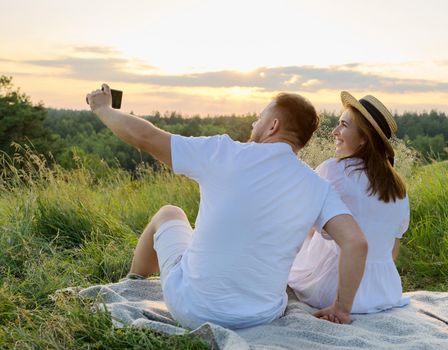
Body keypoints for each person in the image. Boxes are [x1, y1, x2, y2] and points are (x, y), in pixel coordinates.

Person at [85, 85, 368, 329]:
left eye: (259, 118)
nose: (253, 125)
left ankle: (133, 284)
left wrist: (103, 109)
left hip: (194, 310)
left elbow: (145, 137)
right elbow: (355, 242)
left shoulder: (225, 152)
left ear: (273, 126)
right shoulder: (318, 186)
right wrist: (341, 308)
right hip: (261, 317)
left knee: (169, 213)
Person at [288, 91, 410, 314]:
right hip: (385, 291)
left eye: (343, 125)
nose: (335, 132)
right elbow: (392, 249)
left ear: (364, 137)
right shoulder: (397, 186)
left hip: (336, 288)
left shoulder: (333, 170)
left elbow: (301, 223)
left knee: (301, 233)